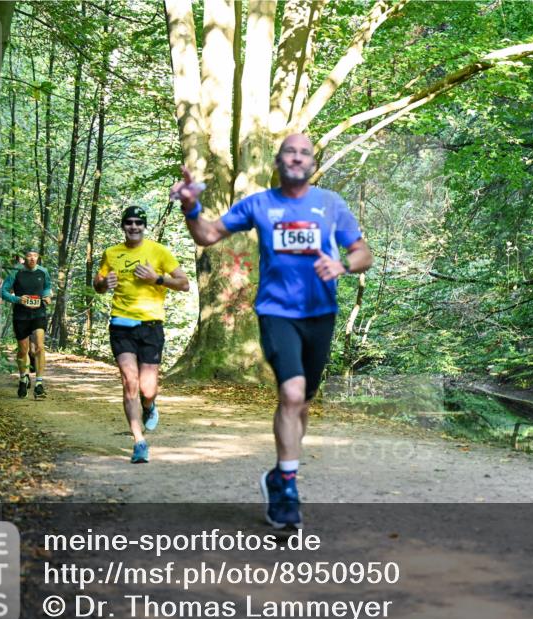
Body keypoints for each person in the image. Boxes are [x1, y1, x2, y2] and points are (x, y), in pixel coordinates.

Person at [170, 133, 373, 529]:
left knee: (304, 401)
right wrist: (191, 207)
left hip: (321, 313)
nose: (296, 158)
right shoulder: (259, 204)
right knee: (291, 392)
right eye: (289, 152)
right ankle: (287, 486)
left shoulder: (331, 204)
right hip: (276, 312)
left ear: (313, 163)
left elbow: (362, 253)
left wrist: (343, 267)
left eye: (304, 153)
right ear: (277, 162)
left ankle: (280, 474)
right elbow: (208, 235)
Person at [93, 206, 190, 464]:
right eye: (129, 223)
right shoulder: (111, 253)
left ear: (144, 226)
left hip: (151, 326)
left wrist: (157, 279)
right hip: (121, 324)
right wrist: (104, 284)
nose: (133, 227)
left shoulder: (158, 252)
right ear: (123, 225)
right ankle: (139, 441)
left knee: (148, 389)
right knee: (129, 383)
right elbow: (98, 283)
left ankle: (149, 406)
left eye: (138, 223)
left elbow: (184, 283)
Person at [1, 250, 52, 398]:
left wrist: (47, 295)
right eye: (29, 255)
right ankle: (23, 378)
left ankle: (39, 384)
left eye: (35, 255)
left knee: (40, 347)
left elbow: (47, 287)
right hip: (21, 315)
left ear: (38, 258)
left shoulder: (43, 272)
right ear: (24, 258)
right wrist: (17, 299)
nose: (32, 258)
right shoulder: (16, 273)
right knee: (23, 350)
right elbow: (3, 292)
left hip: (39, 314)